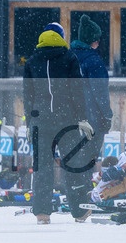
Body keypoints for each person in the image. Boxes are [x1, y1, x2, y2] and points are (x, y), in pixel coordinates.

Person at [22, 30, 95, 224]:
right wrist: (82, 117)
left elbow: (28, 95)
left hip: (40, 122)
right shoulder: (69, 58)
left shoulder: (32, 62)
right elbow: (77, 90)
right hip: (67, 121)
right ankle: (79, 211)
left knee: (42, 168)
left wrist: (29, 122)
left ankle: (42, 213)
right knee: (72, 166)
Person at [71, 14, 112, 172]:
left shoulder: (69, 58)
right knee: (88, 157)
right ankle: (85, 191)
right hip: (92, 117)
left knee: (72, 157)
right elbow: (100, 93)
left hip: (69, 116)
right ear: (93, 41)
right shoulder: (94, 61)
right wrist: (107, 115)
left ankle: (73, 189)